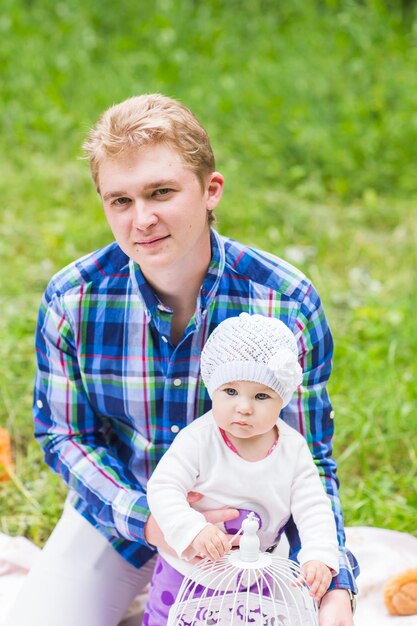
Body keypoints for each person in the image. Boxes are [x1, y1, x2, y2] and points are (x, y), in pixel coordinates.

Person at [6, 93, 358, 626]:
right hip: (124, 516)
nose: (141, 219)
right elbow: (64, 436)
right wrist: (150, 520)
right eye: (119, 201)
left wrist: (337, 583)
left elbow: (310, 461)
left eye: (161, 192)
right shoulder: (73, 298)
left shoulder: (285, 300)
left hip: (249, 531)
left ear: (210, 190)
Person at [144, 313, 340, 625]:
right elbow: (163, 487)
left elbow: (313, 507)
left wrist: (319, 554)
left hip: (254, 571)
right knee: (171, 620)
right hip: (187, 571)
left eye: (261, 395)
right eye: (230, 392)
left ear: (282, 400)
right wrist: (192, 528)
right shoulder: (198, 439)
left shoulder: (293, 449)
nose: (244, 407)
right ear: (212, 390)